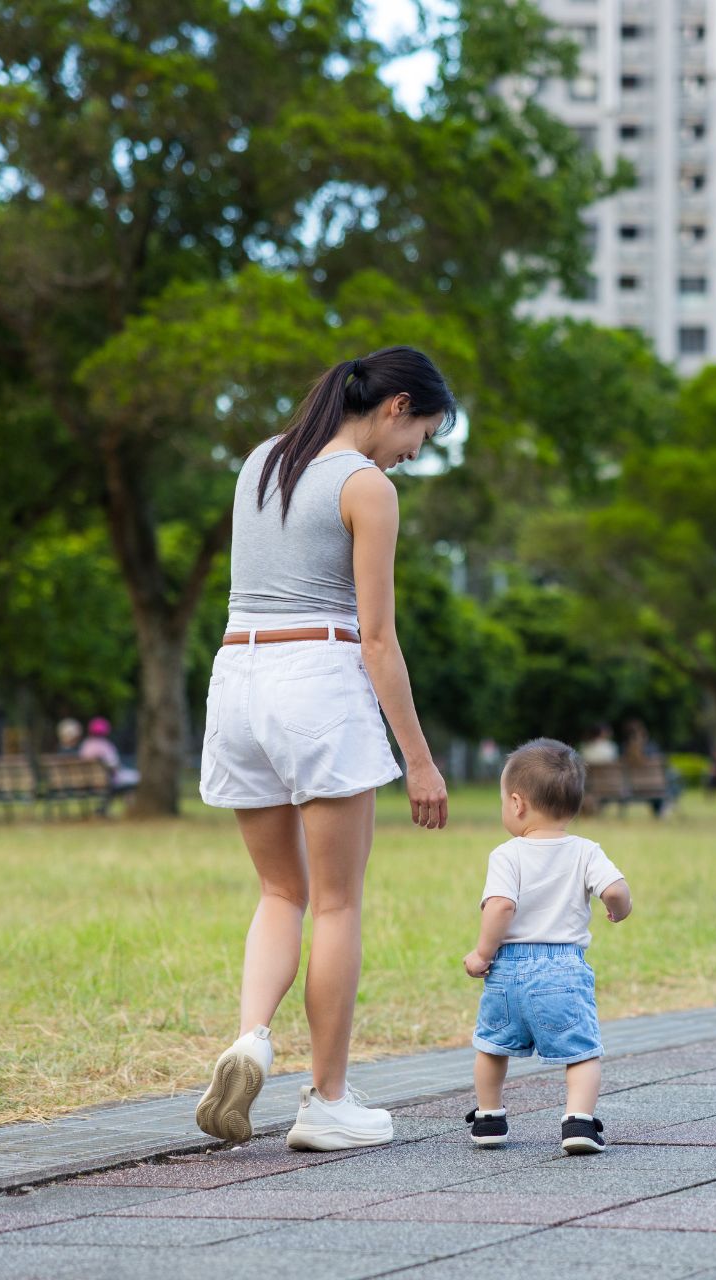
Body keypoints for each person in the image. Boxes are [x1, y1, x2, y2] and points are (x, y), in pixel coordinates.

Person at [193, 347, 454, 1153]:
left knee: (281, 892)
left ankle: (250, 1040)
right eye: (422, 434)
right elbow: (378, 641)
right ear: (396, 405)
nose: (415, 453)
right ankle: (326, 1103)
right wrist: (419, 757)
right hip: (316, 678)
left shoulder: (260, 462)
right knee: (337, 903)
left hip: (238, 677)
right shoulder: (365, 486)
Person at [462, 739, 632, 1155]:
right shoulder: (585, 850)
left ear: (517, 803)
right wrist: (617, 908)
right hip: (563, 970)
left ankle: (489, 1117)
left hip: (507, 970)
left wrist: (482, 953)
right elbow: (616, 889)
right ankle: (578, 1122)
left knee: (492, 1045)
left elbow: (501, 906)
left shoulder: (507, 854)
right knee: (581, 1052)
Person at [78, 716, 139, 789]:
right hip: (108, 780)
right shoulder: (106, 745)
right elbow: (114, 764)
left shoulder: (86, 745)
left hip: (89, 780)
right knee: (137, 776)